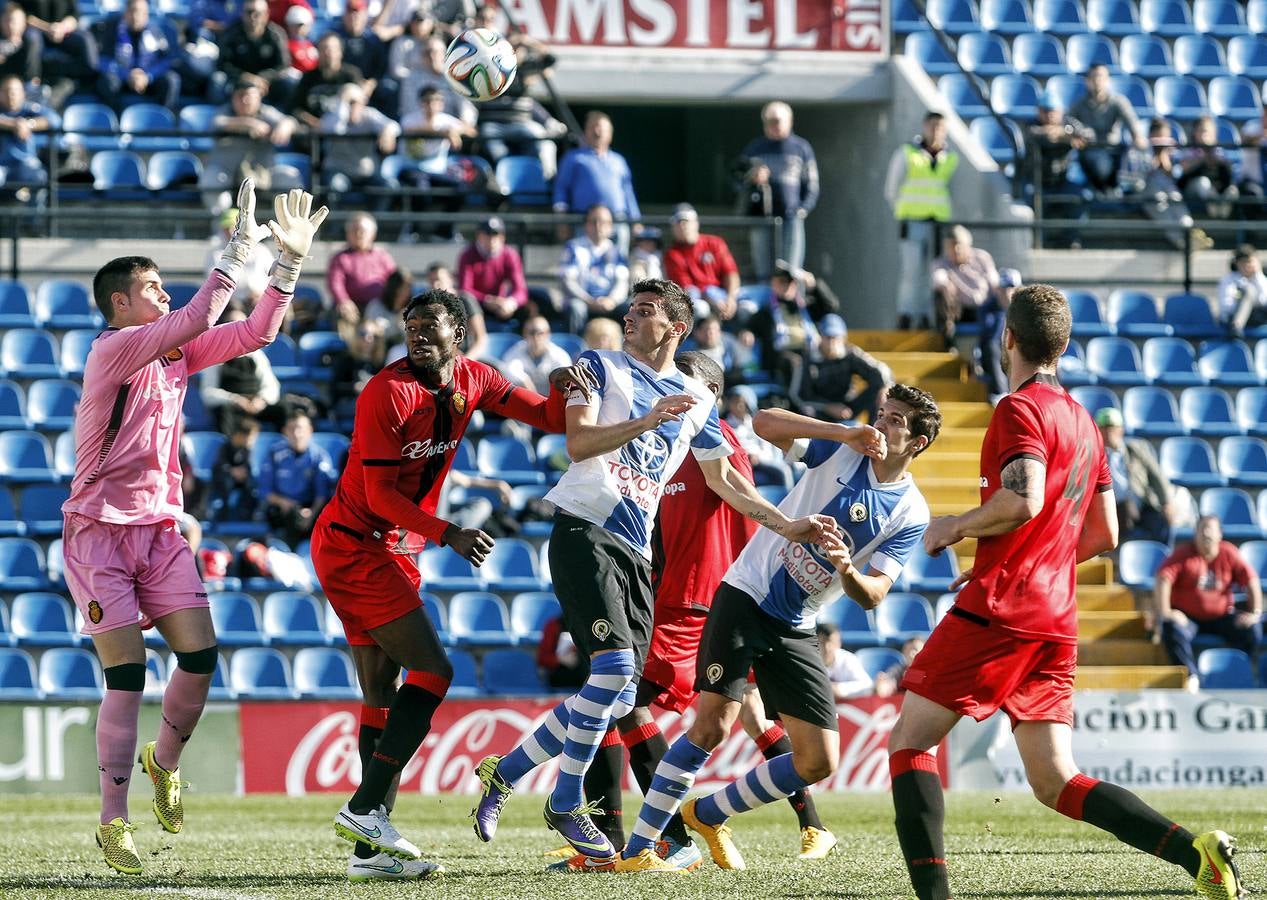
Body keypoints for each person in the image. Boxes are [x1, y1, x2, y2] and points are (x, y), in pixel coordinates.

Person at [887, 283, 1243, 900]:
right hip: (1055, 616)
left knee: (909, 742)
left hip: (1004, 610)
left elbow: (1023, 498)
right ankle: (1196, 854)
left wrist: (954, 528)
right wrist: (1017, 554)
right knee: (1054, 780)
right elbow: (1103, 531)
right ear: (1066, 344)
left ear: (1008, 339)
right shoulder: (1083, 419)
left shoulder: (1017, 409)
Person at [471, 279, 838, 863]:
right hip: (584, 526)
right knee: (617, 673)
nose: (630, 317)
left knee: (615, 697)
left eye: (645, 311)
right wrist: (647, 420)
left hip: (637, 553)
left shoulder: (697, 397)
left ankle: (507, 770)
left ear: (677, 327)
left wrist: (787, 524)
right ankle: (567, 804)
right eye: (629, 309)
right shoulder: (596, 365)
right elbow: (577, 443)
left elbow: (726, 479)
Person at [61, 180, 326, 876]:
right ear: (121, 302)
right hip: (98, 531)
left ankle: (164, 763)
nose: (163, 294)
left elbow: (255, 333)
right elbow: (203, 308)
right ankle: (113, 823)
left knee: (201, 658)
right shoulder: (114, 350)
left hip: (157, 529)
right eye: (151, 287)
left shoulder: (174, 352)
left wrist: (288, 268)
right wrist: (237, 252)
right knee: (126, 677)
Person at [311, 287, 591, 881]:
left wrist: (566, 386)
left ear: (457, 334)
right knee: (434, 671)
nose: (416, 333)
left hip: (387, 549)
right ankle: (365, 809)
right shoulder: (386, 392)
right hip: (357, 546)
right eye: (409, 324)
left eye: (429, 325)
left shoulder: (476, 378)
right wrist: (449, 534)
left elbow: (543, 416)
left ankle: (372, 853)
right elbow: (382, 496)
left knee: (380, 693)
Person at [613, 384, 938, 873]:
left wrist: (845, 567)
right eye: (883, 413)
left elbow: (873, 594)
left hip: (797, 623)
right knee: (712, 726)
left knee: (819, 760)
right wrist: (843, 430)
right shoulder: (840, 451)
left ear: (916, 443)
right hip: (744, 594)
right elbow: (765, 422)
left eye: (895, 421)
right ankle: (639, 850)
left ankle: (706, 813)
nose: (882, 424)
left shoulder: (911, 511)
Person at [550, 350, 837, 872]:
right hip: (687, 599)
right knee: (741, 715)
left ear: (707, 395)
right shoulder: (659, 444)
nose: (669, 389)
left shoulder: (715, 441)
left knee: (623, 701)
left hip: (704, 601)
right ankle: (812, 824)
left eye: (683, 383)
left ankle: (646, 839)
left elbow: (741, 502)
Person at [1153, 515, 1263, 692]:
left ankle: (1240, 670)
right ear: (1194, 533)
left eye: (1210, 528)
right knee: (1171, 627)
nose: (1205, 533)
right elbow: (1163, 578)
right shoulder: (1183, 553)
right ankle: (1191, 677)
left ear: (1220, 534)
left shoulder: (1229, 552)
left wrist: (1255, 612)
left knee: (1252, 629)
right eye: (1201, 528)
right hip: (1189, 618)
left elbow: (1251, 579)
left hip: (1222, 616)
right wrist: (1167, 611)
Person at [885, 112, 957, 330]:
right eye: (932, 126)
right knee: (911, 271)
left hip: (937, 223)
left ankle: (926, 316)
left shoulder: (950, 157)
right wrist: (902, 211)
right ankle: (906, 314)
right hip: (913, 220)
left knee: (932, 272)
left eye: (940, 127)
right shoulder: (908, 152)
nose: (936, 131)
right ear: (925, 126)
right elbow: (891, 188)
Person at [738, 101, 819, 280]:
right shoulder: (755, 148)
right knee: (762, 268)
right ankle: (767, 305)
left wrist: (802, 209)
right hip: (761, 217)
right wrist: (751, 178)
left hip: (791, 216)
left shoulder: (801, 148)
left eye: (776, 121)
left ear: (789, 120)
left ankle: (791, 306)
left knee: (791, 270)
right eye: (768, 121)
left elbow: (812, 184)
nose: (772, 126)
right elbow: (736, 179)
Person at [199, 77, 297, 215]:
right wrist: (248, 123)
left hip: (262, 172)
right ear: (233, 98)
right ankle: (221, 231)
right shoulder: (224, 112)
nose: (245, 100)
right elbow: (217, 123)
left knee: (289, 177)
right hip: (227, 172)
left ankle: (286, 232)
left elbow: (290, 121)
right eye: (240, 96)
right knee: (210, 179)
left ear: (259, 98)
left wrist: (285, 126)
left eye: (249, 96)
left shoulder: (266, 112)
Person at [553, 111, 641, 252]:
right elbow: (561, 188)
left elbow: (628, 193)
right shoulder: (573, 158)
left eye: (602, 128)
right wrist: (561, 219)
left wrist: (636, 221)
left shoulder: (619, 161)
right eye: (593, 127)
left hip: (618, 221)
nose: (597, 131)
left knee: (618, 263)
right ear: (586, 131)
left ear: (610, 134)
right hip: (584, 221)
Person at [793, 314, 892, 425]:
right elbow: (799, 395)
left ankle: (874, 433)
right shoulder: (807, 359)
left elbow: (880, 372)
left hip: (847, 408)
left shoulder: (851, 354)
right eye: (827, 337)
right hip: (818, 411)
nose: (831, 343)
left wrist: (884, 390)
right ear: (820, 336)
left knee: (879, 389)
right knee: (806, 410)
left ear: (843, 338)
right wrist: (827, 407)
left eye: (835, 337)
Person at [1095, 406, 1175, 545]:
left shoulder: (1136, 449)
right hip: (1112, 508)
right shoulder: (1095, 455)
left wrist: (1166, 502)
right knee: (1124, 509)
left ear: (1121, 429)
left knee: (1161, 524)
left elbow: (1155, 475)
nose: (1109, 433)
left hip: (1141, 503)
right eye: (1104, 428)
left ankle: (1160, 558)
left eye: (1112, 428)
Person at [258, 409, 337, 546]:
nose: (296, 434)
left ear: (310, 430)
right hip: (282, 507)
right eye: (291, 429)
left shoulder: (319, 457)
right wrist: (285, 503)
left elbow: (322, 493)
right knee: (290, 517)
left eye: (300, 428)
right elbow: (265, 490)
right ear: (284, 431)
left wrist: (311, 512)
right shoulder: (274, 454)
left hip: (311, 508)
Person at [200, 307, 285, 432]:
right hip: (233, 406)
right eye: (232, 324)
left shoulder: (257, 355)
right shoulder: (215, 355)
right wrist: (235, 400)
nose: (238, 329)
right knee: (224, 412)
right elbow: (208, 392)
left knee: (284, 409)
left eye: (242, 324)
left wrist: (261, 400)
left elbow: (271, 386)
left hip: (256, 405)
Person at [1068, 63, 1148, 195]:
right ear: (1087, 81)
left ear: (1107, 80)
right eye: (1093, 77)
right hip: (1090, 150)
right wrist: (1073, 135)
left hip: (1114, 149)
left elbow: (1132, 121)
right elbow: (1068, 123)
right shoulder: (1078, 104)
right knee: (1100, 166)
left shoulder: (1118, 101)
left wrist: (1137, 136)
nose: (1097, 81)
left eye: (1101, 77)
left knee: (1135, 159)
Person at [93, 0, 180, 110]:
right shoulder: (111, 29)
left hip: (148, 79)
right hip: (121, 78)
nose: (136, 16)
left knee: (171, 80)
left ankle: (162, 121)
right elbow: (102, 60)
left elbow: (167, 60)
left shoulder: (156, 32)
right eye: (133, 11)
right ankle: (114, 121)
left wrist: (148, 76)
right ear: (125, 12)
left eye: (142, 12)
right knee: (107, 81)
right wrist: (126, 74)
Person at [557, 203, 630, 334]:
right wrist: (589, 301)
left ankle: (628, 351)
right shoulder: (573, 247)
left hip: (609, 303)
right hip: (583, 301)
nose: (598, 226)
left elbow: (622, 283)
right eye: (593, 221)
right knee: (576, 307)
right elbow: (568, 282)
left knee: (630, 309)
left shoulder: (617, 251)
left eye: (603, 222)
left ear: (611, 226)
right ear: (586, 225)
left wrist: (611, 300)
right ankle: (576, 348)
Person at [663, 204, 741, 322]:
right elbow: (687, 289)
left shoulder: (715, 243)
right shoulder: (672, 254)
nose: (683, 226)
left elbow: (731, 273)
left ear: (696, 223)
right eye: (679, 223)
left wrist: (731, 298)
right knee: (700, 307)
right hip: (698, 297)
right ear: (673, 228)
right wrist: (712, 299)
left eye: (687, 221)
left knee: (749, 305)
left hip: (723, 294)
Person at [930, 225, 999, 349]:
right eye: (950, 245)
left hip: (983, 306)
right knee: (940, 295)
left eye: (958, 244)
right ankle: (949, 342)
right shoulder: (941, 263)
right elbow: (937, 278)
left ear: (968, 244)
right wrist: (945, 284)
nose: (955, 249)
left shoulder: (982, 257)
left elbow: (994, 281)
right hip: (960, 310)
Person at [455, 216, 528, 329]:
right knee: (465, 306)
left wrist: (511, 303)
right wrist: (487, 300)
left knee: (532, 306)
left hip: (502, 306)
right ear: (479, 236)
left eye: (496, 234)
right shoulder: (468, 255)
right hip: (477, 306)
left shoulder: (510, 255)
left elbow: (521, 290)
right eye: (487, 234)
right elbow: (465, 290)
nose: (492, 239)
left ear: (502, 237)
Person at [213, 0, 290, 105]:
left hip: (267, 82)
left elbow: (283, 65)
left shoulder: (276, 34)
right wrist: (245, 77)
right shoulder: (231, 33)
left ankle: (281, 114)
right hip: (238, 80)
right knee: (218, 79)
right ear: (242, 14)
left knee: (290, 80)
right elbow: (222, 63)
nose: (253, 16)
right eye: (249, 12)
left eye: (258, 13)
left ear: (266, 15)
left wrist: (264, 78)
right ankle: (221, 112)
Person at [326, 211, 398, 324]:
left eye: (363, 231)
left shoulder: (383, 256)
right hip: (351, 307)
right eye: (355, 230)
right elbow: (335, 283)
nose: (359, 234)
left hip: (380, 307)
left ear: (373, 234)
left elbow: (395, 280)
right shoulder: (340, 258)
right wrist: (344, 301)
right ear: (348, 234)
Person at [203, 206, 275, 311]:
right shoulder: (215, 254)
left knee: (282, 311)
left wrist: (263, 295)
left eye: (234, 226)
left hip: (261, 300)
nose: (230, 231)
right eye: (226, 228)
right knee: (235, 316)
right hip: (232, 303)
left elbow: (274, 277)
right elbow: (215, 285)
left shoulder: (261, 250)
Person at [1177, 116, 1240, 221]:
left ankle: (1223, 215)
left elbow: (1227, 173)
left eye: (1208, 132)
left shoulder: (1219, 152)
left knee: (1233, 190)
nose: (1204, 135)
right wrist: (1202, 156)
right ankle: (1215, 211)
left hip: (1217, 189)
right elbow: (1184, 170)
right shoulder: (1189, 150)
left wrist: (1212, 155)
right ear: (1194, 133)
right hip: (1192, 190)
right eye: (1201, 131)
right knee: (1203, 182)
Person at [0, 72, 49, 198]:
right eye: (6, 91)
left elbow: (54, 120)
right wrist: (14, 124)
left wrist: (28, 124)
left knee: (39, 176)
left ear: (22, 93)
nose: (11, 95)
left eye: (15, 91)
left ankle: (35, 218)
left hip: (25, 162)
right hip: (1, 165)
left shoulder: (29, 110)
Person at [502, 315, 572, 395]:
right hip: (524, 401)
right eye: (532, 333)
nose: (536, 337)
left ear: (548, 334)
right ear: (524, 334)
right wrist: (524, 380)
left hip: (552, 401)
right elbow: (508, 371)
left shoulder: (559, 355)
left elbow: (565, 380)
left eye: (540, 333)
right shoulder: (516, 351)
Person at [209, 415, 260, 523]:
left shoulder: (247, 450)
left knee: (251, 485)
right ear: (239, 436)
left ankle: (248, 513)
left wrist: (244, 473)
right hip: (224, 478)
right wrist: (232, 471)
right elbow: (219, 466)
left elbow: (248, 465)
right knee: (227, 482)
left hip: (240, 480)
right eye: (250, 437)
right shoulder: (225, 447)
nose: (253, 441)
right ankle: (223, 514)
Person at [815, 621, 872, 700]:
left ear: (839, 643)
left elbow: (867, 685)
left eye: (832, 642)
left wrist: (839, 689)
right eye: (822, 642)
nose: (828, 647)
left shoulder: (848, 659)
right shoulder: (810, 660)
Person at [1218, 244, 1267, 335]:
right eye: (1243, 262)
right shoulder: (1229, 280)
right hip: (1232, 318)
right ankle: (1237, 326)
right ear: (1237, 263)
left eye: (1250, 261)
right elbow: (1227, 307)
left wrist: (1258, 275)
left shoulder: (1260, 279)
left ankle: (1238, 325)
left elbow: (1264, 300)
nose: (1247, 265)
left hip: (1258, 316)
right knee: (1249, 290)